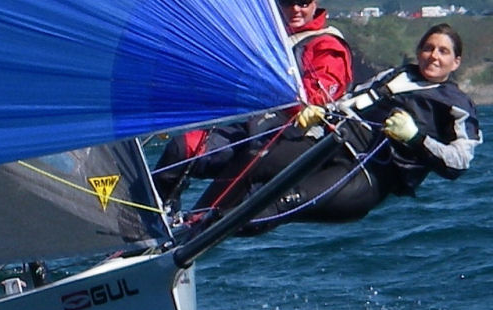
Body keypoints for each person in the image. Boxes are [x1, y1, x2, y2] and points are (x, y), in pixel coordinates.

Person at [195, 23, 482, 235]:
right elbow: (352, 97)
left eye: (443, 52)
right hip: (334, 143)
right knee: (258, 157)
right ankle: (195, 220)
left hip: (367, 177)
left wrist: (416, 138)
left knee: (285, 200)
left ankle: (204, 235)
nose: (433, 56)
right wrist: (318, 112)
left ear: (455, 62)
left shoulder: (456, 105)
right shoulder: (399, 74)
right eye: (428, 48)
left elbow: (459, 163)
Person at [153, 0, 353, 212]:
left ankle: (198, 223)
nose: (296, 8)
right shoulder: (269, 43)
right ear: (274, 5)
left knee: (244, 168)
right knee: (183, 147)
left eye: (303, 1)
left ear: (314, 4)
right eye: (287, 2)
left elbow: (319, 96)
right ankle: (151, 219)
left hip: (297, 139)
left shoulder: (325, 44)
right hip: (254, 129)